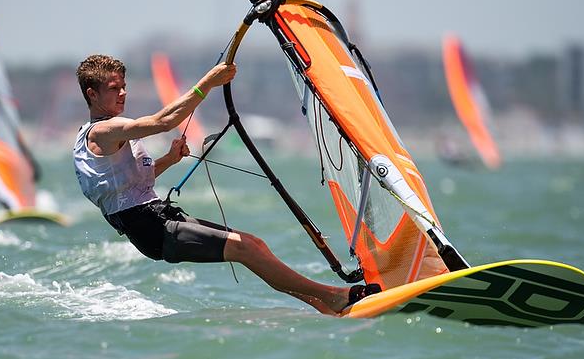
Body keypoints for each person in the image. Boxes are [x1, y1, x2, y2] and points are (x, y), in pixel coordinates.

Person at [72, 55, 379, 315]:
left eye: (124, 86)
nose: (123, 93)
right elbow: (163, 121)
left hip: (157, 218)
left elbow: (131, 185)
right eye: (114, 88)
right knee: (245, 248)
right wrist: (208, 82)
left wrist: (168, 159)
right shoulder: (103, 131)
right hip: (149, 226)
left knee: (254, 245)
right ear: (92, 94)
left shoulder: (103, 136)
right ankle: (334, 297)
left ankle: (323, 302)